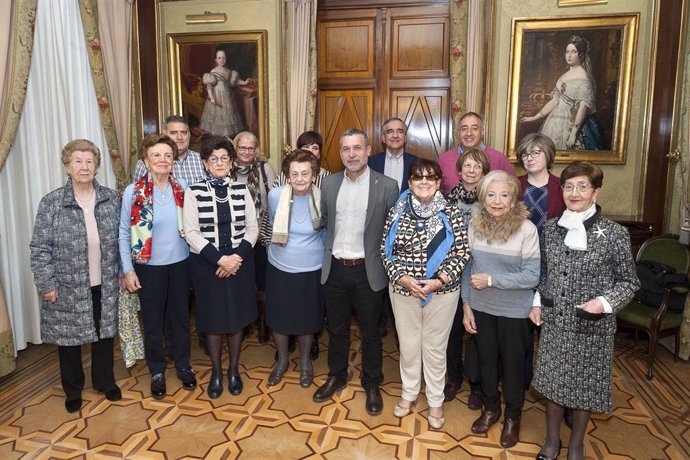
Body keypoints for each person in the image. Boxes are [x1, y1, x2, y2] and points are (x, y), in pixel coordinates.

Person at [531, 161, 639, 460]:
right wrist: (538, 302)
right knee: (554, 386)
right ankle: (552, 440)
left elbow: (629, 282)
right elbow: (544, 273)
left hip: (592, 327)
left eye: (582, 186)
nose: (574, 192)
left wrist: (603, 304)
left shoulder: (614, 233)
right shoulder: (551, 229)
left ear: (595, 191)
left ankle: (576, 444)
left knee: (584, 389)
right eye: (568, 186)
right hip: (555, 323)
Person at [30, 139, 122, 413]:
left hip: (104, 281)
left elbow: (121, 240)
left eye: (89, 161)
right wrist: (46, 283)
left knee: (104, 333)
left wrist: (121, 272)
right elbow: (39, 247)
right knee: (68, 339)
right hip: (67, 284)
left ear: (96, 166)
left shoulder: (110, 198)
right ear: (67, 167)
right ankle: (72, 389)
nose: (84, 166)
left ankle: (105, 381)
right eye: (78, 161)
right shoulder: (53, 202)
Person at [312, 128, 399, 415]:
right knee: (336, 330)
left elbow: (391, 233)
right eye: (346, 149)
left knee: (372, 332)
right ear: (340, 154)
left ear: (368, 150)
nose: (352, 154)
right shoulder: (329, 185)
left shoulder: (386, 186)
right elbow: (323, 221)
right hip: (335, 270)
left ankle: (372, 383)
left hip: (368, 271)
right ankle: (336, 375)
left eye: (357, 148)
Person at [381, 158, 469, 429]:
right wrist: (403, 279)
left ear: (438, 182)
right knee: (408, 345)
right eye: (417, 177)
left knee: (434, 348)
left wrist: (438, 281)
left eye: (429, 177)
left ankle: (435, 400)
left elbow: (462, 251)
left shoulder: (452, 212)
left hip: (442, 292)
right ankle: (408, 394)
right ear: (409, 182)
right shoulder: (397, 211)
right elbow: (385, 251)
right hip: (403, 290)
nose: (423, 182)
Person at [462, 170, 540, 448]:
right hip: (482, 308)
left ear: (513, 198)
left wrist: (493, 280)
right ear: (482, 198)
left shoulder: (526, 229)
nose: (497, 200)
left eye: (504, 195)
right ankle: (491, 409)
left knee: (513, 366)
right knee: (486, 363)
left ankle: (513, 417)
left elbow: (532, 276)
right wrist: (467, 304)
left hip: (515, 311)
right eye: (491, 194)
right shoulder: (474, 225)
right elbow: (468, 268)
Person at [119, 134, 196, 400]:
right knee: (152, 321)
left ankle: (184, 365)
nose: (162, 160)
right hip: (148, 268)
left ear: (173, 160)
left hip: (180, 265)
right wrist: (128, 269)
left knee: (180, 320)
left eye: (167, 156)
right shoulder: (134, 191)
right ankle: (157, 370)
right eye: (156, 156)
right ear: (146, 160)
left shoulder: (183, 187)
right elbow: (123, 233)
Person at [183, 136, 258, 398]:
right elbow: (191, 232)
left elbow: (253, 228)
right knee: (213, 322)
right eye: (213, 158)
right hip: (207, 265)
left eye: (224, 158)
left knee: (236, 321)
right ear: (205, 163)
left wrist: (235, 258)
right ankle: (216, 372)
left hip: (240, 263)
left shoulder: (241, 189)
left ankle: (234, 370)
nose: (219, 162)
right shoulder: (193, 191)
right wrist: (219, 259)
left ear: (231, 161)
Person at [264, 150, 325, 388]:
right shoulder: (275, 195)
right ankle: (282, 361)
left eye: (305, 173)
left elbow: (326, 232)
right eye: (294, 174)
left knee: (307, 319)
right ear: (288, 175)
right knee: (279, 318)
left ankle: (305, 364)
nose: (300, 178)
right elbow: (270, 224)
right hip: (280, 267)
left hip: (312, 268)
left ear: (313, 174)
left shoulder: (322, 198)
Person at [443, 147, 491, 405]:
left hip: (480, 274)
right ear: (459, 171)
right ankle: (453, 377)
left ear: (484, 172)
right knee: (451, 331)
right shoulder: (448, 200)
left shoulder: (491, 202)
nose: (471, 170)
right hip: (451, 273)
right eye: (467, 166)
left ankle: (477, 384)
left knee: (477, 331)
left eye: (477, 166)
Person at [231, 131, 277, 344]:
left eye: (251, 148)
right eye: (242, 148)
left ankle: (262, 325)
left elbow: (275, 200)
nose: (247, 152)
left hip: (261, 237)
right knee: (240, 284)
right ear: (235, 148)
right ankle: (242, 323)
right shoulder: (227, 169)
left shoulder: (264, 169)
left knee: (263, 286)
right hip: (235, 238)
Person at [521, 35, 604, 151]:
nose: (569, 55)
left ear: (580, 54)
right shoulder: (564, 76)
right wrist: (535, 117)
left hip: (572, 124)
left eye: (573, 52)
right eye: (567, 52)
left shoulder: (583, 77)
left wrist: (574, 133)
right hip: (555, 121)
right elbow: (555, 101)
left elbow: (583, 107)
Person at [438, 111, 515, 196]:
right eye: (464, 129)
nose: (469, 133)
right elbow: (437, 193)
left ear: (482, 132)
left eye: (474, 128)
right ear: (458, 133)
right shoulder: (444, 160)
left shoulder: (500, 159)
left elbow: (513, 192)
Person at [133, 115, 206, 184]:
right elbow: (136, 193)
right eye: (174, 133)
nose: (179, 137)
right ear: (165, 135)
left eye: (183, 133)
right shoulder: (146, 163)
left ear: (189, 135)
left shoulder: (202, 160)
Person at [517, 133, 566, 233]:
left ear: (548, 154)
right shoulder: (513, 184)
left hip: (553, 246)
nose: (529, 158)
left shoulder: (563, 186)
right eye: (525, 155)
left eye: (535, 153)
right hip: (520, 246)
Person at [199, 48, 253, 138]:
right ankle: (218, 138)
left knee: (228, 114)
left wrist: (245, 82)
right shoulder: (213, 71)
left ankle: (226, 137)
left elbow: (235, 81)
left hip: (227, 96)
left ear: (226, 59)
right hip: (217, 95)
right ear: (216, 60)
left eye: (223, 58)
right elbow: (209, 86)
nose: (221, 60)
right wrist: (212, 98)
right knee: (217, 116)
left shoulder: (228, 71)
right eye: (219, 58)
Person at [368, 117, 417, 192]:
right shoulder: (371, 163)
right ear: (383, 138)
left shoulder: (416, 163)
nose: (395, 135)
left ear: (405, 138)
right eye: (390, 131)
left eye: (400, 131)